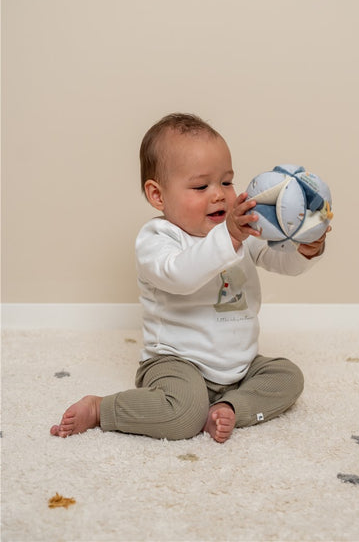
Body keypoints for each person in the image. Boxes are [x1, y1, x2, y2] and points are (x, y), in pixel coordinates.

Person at [50, 113, 330, 443]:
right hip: (176, 363)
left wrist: (307, 248)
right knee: (183, 415)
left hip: (239, 367)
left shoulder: (236, 231)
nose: (219, 195)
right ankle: (102, 409)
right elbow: (180, 276)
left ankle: (229, 408)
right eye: (201, 186)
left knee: (288, 377)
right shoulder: (158, 238)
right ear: (158, 195)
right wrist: (230, 237)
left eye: (226, 182)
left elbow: (278, 261)